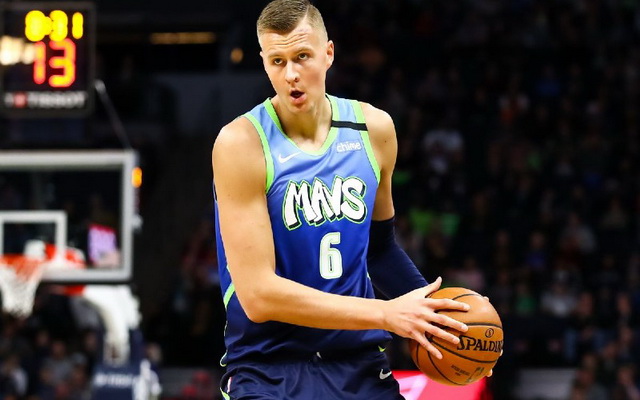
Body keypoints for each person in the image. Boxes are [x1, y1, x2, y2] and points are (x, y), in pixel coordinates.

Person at [212, 0, 471, 398]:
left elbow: (379, 250)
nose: (291, 74)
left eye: (302, 56)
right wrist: (386, 313)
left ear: (328, 53)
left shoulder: (374, 129)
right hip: (269, 368)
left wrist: (444, 320)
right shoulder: (241, 144)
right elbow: (259, 295)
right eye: (277, 62)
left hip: (357, 363)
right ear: (264, 63)